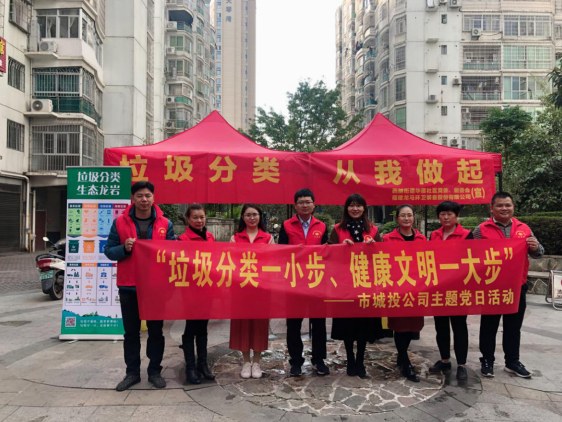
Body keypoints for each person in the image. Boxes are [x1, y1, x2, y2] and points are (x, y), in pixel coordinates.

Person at [104, 181, 174, 391]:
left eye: (148, 195)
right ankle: (132, 373)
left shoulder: (165, 223)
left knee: (156, 332)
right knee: (131, 333)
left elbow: (173, 252)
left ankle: (154, 372)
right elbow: (108, 251)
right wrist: (124, 248)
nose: (144, 199)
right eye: (140, 196)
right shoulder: (119, 222)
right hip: (129, 285)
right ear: (132, 198)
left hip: (155, 287)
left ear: (154, 198)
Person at [474, 192, 544, 378]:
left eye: (508, 205)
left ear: (513, 207)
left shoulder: (524, 228)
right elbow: (469, 255)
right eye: (500, 205)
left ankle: (512, 361)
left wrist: (535, 247)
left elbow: (539, 253)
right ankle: (487, 360)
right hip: (491, 287)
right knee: (489, 325)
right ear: (492, 208)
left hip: (516, 286)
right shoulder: (481, 230)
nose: (504, 208)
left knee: (513, 326)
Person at [328, 193, 383, 378]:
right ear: (346, 208)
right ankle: (350, 359)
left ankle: (360, 359)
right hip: (344, 286)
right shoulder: (337, 230)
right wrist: (340, 247)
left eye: (358, 205)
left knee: (363, 324)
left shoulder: (373, 230)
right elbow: (327, 253)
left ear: (364, 208)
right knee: (347, 324)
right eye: (351, 205)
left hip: (366, 285)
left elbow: (383, 256)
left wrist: (375, 246)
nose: (355, 208)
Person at [278, 188, 329, 377]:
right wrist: (293, 251)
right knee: (293, 324)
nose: (305, 205)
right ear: (295, 205)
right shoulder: (286, 225)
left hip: (317, 280)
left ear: (314, 205)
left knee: (319, 323)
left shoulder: (321, 226)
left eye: (308, 202)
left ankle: (319, 360)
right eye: (301, 202)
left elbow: (328, 252)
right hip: (294, 281)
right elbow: (280, 251)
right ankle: (296, 361)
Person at [428, 201, 473, 381]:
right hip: (439, 288)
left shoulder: (467, 235)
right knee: (441, 326)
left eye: (450, 214)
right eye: (442, 214)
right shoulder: (434, 235)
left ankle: (461, 364)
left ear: (457, 216)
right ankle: (444, 360)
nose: (446, 217)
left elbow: (472, 259)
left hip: (459, 289)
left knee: (459, 326)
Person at [229, 203, 274, 379]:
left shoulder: (268, 238)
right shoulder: (235, 238)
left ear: (260, 217)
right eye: (248, 215)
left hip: (261, 289)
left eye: (255, 214)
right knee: (242, 324)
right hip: (241, 288)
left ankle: (257, 362)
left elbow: (272, 261)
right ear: (243, 217)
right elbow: (231, 261)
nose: (252, 218)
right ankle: (246, 361)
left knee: (259, 325)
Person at [383, 204, 426, 383]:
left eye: (409, 215)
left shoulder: (422, 239)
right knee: (400, 326)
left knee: (412, 325)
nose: (406, 218)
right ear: (397, 218)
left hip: (417, 289)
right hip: (397, 288)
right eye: (403, 215)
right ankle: (406, 362)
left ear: (413, 218)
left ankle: (402, 356)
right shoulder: (387, 239)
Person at [177, 204, 215, 385]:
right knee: (191, 327)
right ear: (188, 219)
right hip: (190, 291)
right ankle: (190, 368)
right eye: (195, 217)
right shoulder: (181, 239)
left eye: (202, 217)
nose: (199, 221)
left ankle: (203, 365)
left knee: (203, 327)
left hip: (207, 289)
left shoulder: (210, 237)